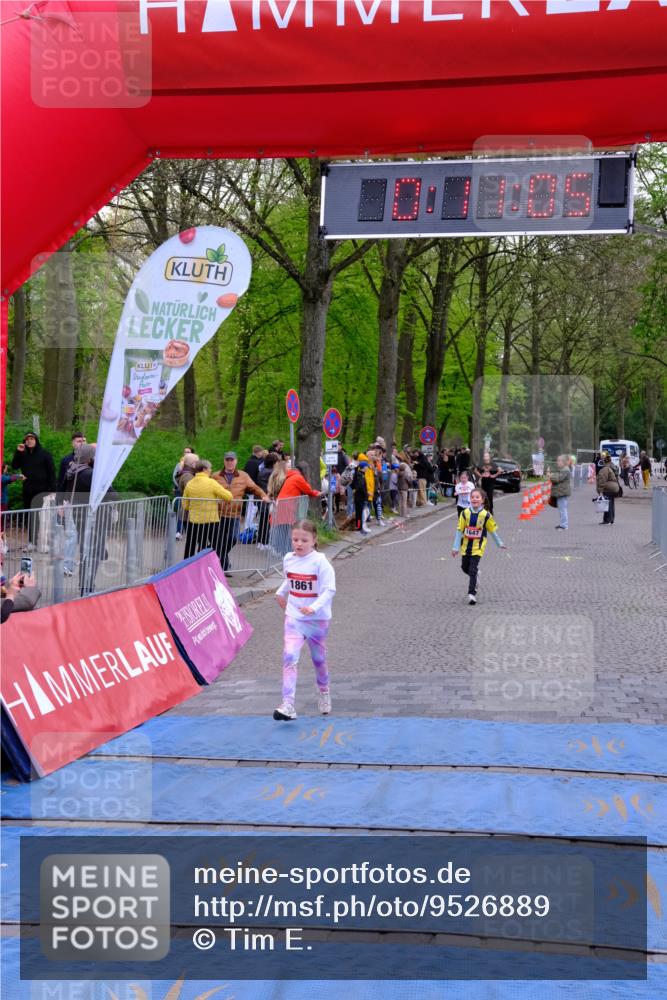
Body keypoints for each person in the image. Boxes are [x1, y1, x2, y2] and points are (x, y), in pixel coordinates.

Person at [273, 519, 336, 720]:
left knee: (318, 659)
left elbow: (329, 590)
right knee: (289, 656)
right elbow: (290, 579)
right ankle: (288, 705)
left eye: (304, 540)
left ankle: (324, 691)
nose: (299, 544)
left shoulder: (321, 563)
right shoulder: (288, 559)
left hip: (317, 620)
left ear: (314, 540)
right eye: (295, 540)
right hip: (294, 616)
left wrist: (314, 607)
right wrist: (280, 593)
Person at [62, 443, 120, 596]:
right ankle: (87, 587)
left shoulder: (71, 471)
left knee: (86, 551)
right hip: (94, 517)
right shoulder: (90, 474)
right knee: (92, 553)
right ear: (89, 458)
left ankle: (85, 585)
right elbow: (113, 495)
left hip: (79, 515)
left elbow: (65, 493)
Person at [212, 452, 269, 572]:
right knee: (219, 540)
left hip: (234, 514)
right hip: (218, 513)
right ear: (224, 461)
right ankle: (223, 566)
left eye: (232, 460)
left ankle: (213, 557)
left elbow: (254, 488)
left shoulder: (243, 475)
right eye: (227, 460)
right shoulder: (215, 476)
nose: (229, 462)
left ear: (236, 461)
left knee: (232, 538)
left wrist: (263, 495)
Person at [451, 487, 506, 605]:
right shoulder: (465, 513)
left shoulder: (486, 515)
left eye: (477, 497)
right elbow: (459, 531)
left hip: (478, 547)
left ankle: (471, 594)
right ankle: (476, 574)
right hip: (465, 546)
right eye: (472, 497)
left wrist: (499, 543)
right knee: (464, 568)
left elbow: (492, 531)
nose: (474, 499)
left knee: (472, 569)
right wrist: (455, 547)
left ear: (482, 500)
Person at [11, 433, 56, 548]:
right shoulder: (24, 454)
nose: (29, 441)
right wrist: (19, 452)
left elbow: (51, 471)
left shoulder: (45, 454)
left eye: (32, 439)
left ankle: (45, 543)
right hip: (28, 490)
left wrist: (53, 489)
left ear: (36, 440)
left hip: (42, 490)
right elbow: (15, 465)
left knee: (42, 516)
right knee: (30, 516)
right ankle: (32, 542)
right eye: (27, 439)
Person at [182, 460, 233, 560]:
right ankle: (212, 567)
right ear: (205, 469)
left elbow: (185, 505)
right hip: (211, 521)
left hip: (194, 521)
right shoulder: (211, 483)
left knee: (190, 546)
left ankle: (187, 568)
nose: (211, 470)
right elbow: (229, 496)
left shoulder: (190, 484)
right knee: (218, 545)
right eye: (210, 468)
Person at [271, 461, 322, 557]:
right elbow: (308, 490)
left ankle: (282, 551)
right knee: (288, 530)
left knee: (283, 529)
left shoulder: (291, 477)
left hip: (282, 504)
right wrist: (316, 493)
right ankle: (287, 553)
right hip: (287, 506)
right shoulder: (298, 477)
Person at [549, 454, 572, 530]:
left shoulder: (565, 470)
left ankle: (564, 525)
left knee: (562, 509)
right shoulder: (563, 469)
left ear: (564, 462)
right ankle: (563, 524)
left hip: (562, 492)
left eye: (559, 461)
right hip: (561, 492)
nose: (557, 462)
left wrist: (551, 475)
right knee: (562, 509)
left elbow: (558, 478)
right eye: (557, 460)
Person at [596, 454, 620, 525]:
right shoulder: (612, 466)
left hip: (608, 488)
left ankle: (607, 520)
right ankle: (611, 520)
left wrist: (600, 491)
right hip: (614, 487)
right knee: (611, 503)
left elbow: (602, 481)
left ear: (604, 461)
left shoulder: (605, 469)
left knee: (607, 504)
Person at [352, 454, 370, 534]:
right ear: (364, 467)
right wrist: (366, 493)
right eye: (367, 467)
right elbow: (360, 486)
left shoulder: (359, 474)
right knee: (360, 513)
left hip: (359, 497)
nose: (367, 468)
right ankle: (359, 527)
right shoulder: (360, 475)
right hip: (360, 497)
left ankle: (360, 526)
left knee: (360, 513)